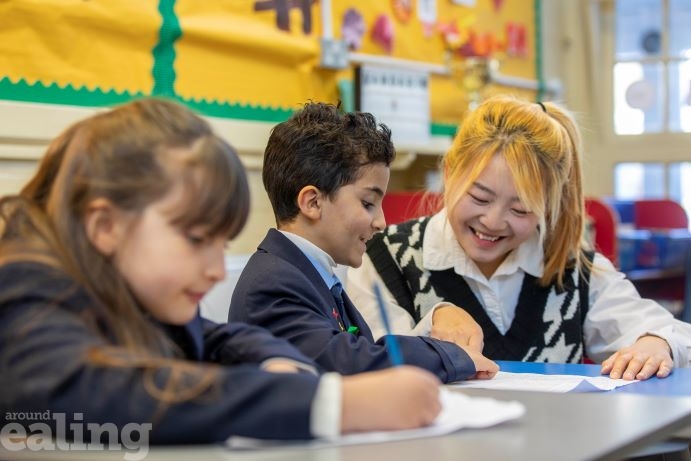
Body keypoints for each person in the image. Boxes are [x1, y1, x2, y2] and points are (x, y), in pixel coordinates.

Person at [0, 98, 446, 446]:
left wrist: (277, 360)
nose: (216, 271)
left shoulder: (118, 282)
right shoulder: (21, 285)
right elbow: (89, 393)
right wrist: (330, 404)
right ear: (106, 226)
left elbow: (211, 336)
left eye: (221, 244)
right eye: (196, 240)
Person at [346, 95, 691, 382]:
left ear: (548, 206)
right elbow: (371, 355)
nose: (493, 221)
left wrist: (656, 342)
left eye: (521, 209)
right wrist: (432, 320)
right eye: (479, 198)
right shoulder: (383, 257)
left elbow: (671, 333)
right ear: (449, 175)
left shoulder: (572, 269)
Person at [228, 101, 498, 383]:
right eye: (368, 203)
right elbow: (348, 360)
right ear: (313, 202)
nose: (381, 221)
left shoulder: (314, 276)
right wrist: (449, 356)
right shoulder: (273, 285)